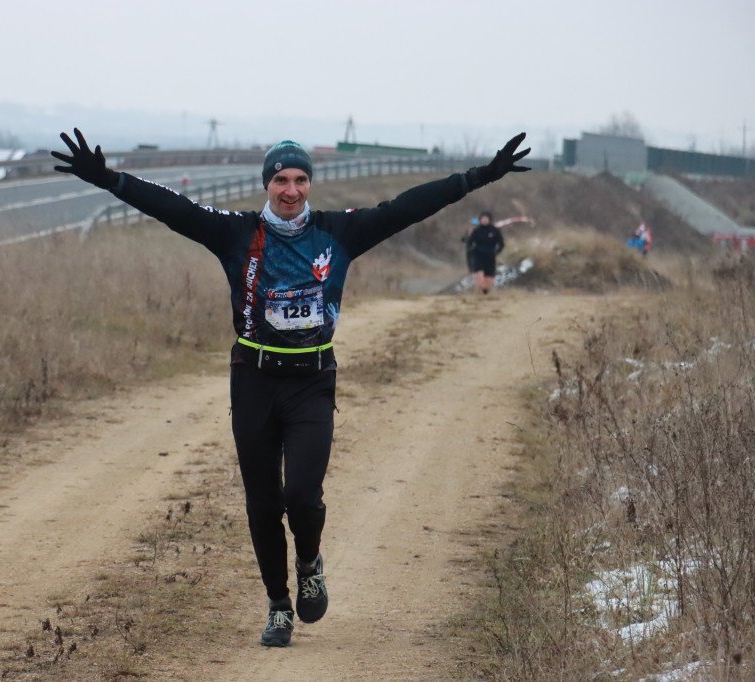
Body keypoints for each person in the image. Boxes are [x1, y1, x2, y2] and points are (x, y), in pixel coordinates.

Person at [51, 128, 530, 647]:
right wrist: (109, 179)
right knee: (262, 502)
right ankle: (279, 606)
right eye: (281, 179)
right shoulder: (238, 234)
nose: (292, 190)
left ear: (310, 184)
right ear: (267, 184)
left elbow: (407, 208)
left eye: (301, 179)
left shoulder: (337, 233)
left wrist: (477, 177)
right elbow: (174, 208)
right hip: (254, 379)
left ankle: (309, 561)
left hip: (311, 381)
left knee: (301, 493)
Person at [467, 210, 505, 294]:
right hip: (478, 256)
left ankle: (486, 294)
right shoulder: (476, 231)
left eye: (486, 218)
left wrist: (496, 252)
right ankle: (478, 295)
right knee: (480, 279)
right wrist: (472, 251)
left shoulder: (495, 231)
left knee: (487, 285)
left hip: (490, 257)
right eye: (483, 218)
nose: (484, 220)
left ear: (489, 219)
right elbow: (469, 243)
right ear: (480, 219)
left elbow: (502, 244)